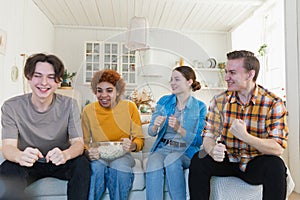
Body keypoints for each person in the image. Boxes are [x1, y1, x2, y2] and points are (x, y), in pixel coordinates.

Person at [188, 50, 288, 200]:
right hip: (228, 158)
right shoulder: (219, 101)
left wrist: (245, 136)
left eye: (232, 72)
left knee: (276, 166)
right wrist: (212, 149)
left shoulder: (273, 103)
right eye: (226, 72)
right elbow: (208, 136)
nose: (226, 77)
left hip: (255, 161)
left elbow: (277, 147)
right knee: (198, 159)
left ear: (250, 74)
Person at [0, 53, 91, 200]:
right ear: (29, 77)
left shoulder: (70, 105)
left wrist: (65, 154)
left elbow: (78, 144)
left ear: (59, 81)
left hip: (60, 160)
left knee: (81, 164)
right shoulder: (11, 106)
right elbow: (8, 147)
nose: (44, 82)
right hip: (28, 162)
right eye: (37, 75)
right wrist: (20, 156)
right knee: (6, 170)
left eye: (50, 77)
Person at [146, 66, 207, 200]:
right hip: (162, 148)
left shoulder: (200, 107)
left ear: (189, 82)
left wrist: (180, 129)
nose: (172, 83)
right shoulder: (164, 101)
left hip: (185, 152)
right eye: (171, 79)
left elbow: (199, 141)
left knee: (171, 160)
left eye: (177, 79)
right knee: (153, 163)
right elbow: (151, 132)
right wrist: (156, 125)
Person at [81, 69, 144, 200]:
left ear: (118, 91)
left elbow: (139, 139)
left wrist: (131, 145)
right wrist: (89, 153)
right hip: (99, 155)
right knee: (96, 169)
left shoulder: (130, 107)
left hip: (123, 155)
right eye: (99, 90)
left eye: (109, 90)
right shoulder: (88, 111)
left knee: (119, 168)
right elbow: (84, 143)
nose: (103, 95)